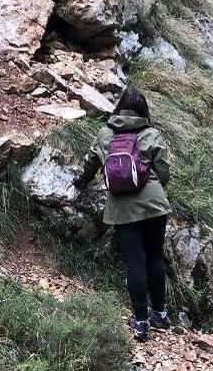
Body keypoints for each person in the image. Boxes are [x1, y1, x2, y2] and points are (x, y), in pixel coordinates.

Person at [73, 87, 173, 341]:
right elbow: (164, 171)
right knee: (154, 258)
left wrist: (80, 182)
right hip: (154, 206)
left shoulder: (106, 133)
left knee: (135, 264)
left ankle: (140, 322)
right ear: (143, 111)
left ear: (119, 108)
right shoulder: (151, 134)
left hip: (122, 208)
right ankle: (160, 314)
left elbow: (91, 162)